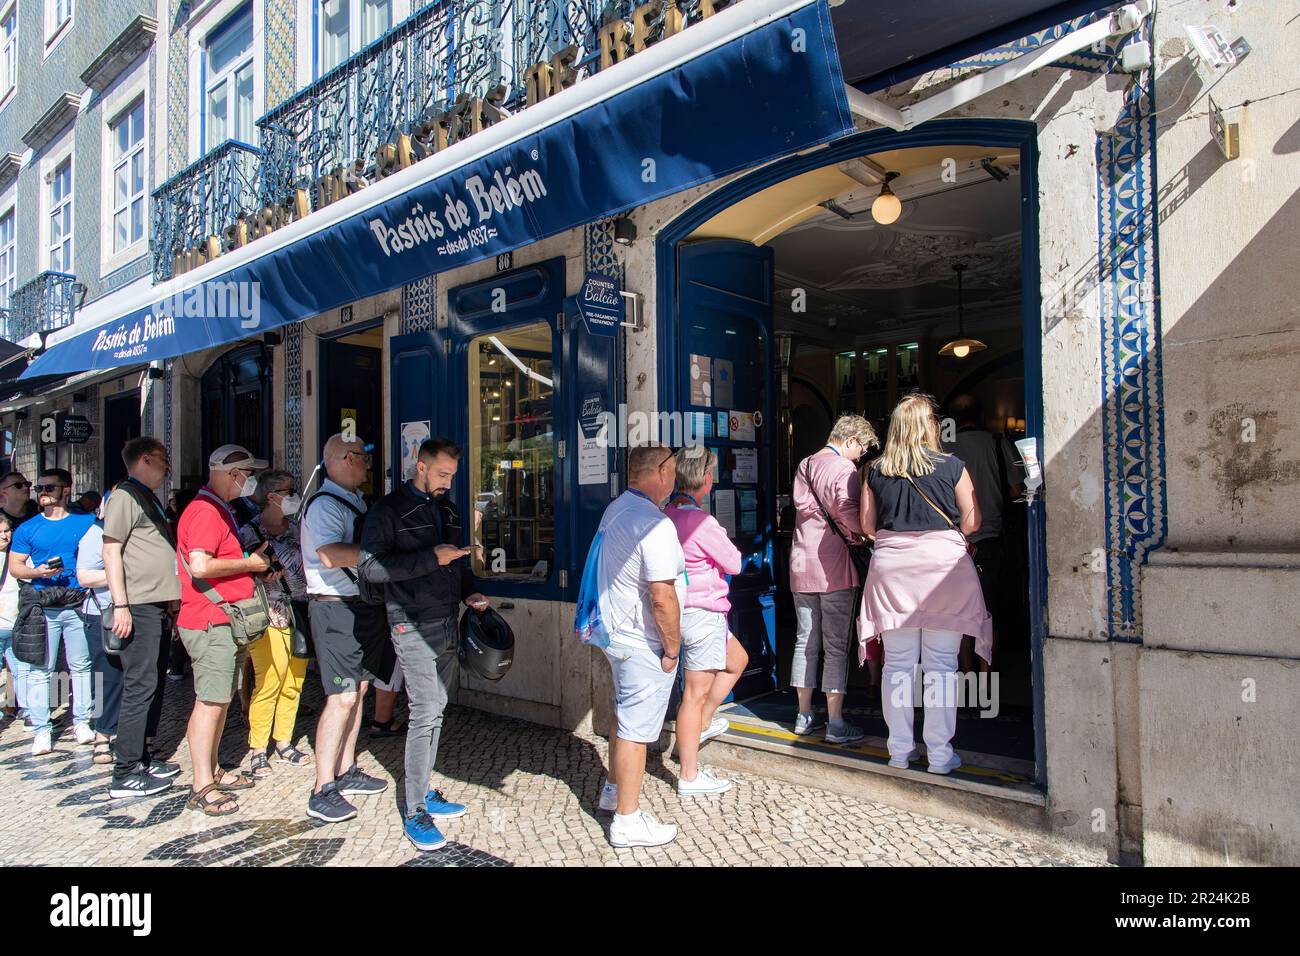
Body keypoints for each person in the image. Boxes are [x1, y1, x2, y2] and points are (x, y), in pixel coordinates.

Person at [359, 437, 488, 851]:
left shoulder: (447, 508)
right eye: (442, 474)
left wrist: (469, 591)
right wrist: (433, 557)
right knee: (425, 711)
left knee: (437, 709)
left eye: (452, 475)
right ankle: (415, 808)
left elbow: (457, 562)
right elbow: (371, 568)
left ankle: (425, 789)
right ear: (420, 466)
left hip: (447, 618)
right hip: (410, 623)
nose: (448, 483)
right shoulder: (388, 510)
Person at [858, 393, 990, 775]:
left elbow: (867, 527)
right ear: (930, 427)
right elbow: (973, 522)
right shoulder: (953, 466)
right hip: (942, 573)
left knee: (897, 665)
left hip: (892, 573)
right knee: (941, 667)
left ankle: (899, 751)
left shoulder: (875, 470)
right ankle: (939, 755)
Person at [594, 445, 685, 848]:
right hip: (643, 641)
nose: (677, 476)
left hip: (617, 636)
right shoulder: (655, 523)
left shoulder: (616, 509)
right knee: (634, 730)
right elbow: (662, 595)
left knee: (622, 716)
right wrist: (672, 648)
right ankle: (628, 821)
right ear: (662, 471)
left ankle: (613, 792)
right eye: (675, 469)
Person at [176, 445, 275, 814]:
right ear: (233, 474)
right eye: (249, 472)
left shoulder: (218, 508)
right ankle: (201, 785)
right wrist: (248, 563)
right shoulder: (203, 510)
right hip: (210, 619)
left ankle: (213, 769)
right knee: (210, 702)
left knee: (220, 700)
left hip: (222, 620)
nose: (251, 480)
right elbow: (200, 565)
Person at [300, 434, 389, 824]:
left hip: (361, 608)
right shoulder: (323, 505)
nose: (367, 466)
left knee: (360, 690)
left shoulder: (354, 500)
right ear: (344, 459)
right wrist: (380, 557)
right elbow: (329, 554)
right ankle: (322, 788)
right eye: (363, 459)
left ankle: (347, 768)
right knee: (341, 697)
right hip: (334, 610)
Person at [788, 415, 878, 743]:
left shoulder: (806, 464)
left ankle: (803, 714)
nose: (861, 455)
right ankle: (836, 722)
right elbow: (848, 515)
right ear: (851, 439)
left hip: (801, 562)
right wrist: (868, 534)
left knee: (805, 640)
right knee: (836, 646)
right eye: (862, 448)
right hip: (834, 566)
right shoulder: (844, 470)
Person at [102, 437, 183, 796]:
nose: (168, 466)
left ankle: (144, 756)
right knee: (139, 686)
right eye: (164, 459)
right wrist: (121, 604)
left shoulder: (146, 496)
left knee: (153, 683)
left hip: (156, 604)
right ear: (146, 459)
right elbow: (111, 550)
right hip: (137, 605)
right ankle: (126, 771)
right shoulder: (124, 496)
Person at [664, 447, 746, 796]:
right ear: (706, 479)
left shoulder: (667, 514)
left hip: (680, 612)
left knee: (737, 660)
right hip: (703, 614)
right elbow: (735, 563)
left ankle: (704, 723)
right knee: (694, 696)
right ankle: (689, 775)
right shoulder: (702, 522)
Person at [7, 468, 96, 756]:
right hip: (43, 604)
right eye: (39, 488)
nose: (42, 493)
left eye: (49, 487)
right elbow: (15, 566)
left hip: (77, 602)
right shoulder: (28, 528)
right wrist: (37, 571)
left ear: (66, 490)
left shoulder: (87, 523)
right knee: (39, 669)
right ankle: (41, 729)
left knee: (81, 665)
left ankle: (82, 721)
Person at [237, 468, 313, 777]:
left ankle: (283, 741)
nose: (295, 496)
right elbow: (239, 571)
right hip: (268, 613)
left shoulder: (298, 528)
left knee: (294, 680)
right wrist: (260, 572)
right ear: (272, 496)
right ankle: (257, 748)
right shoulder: (248, 533)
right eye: (289, 491)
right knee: (269, 679)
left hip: (300, 610)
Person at [943, 394, 1022, 673]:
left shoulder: (943, 448)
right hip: (990, 537)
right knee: (988, 609)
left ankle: (965, 671)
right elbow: (1015, 489)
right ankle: (987, 674)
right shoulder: (998, 444)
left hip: (953, 541)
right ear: (982, 415)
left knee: (958, 612)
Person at [75, 493, 124, 766]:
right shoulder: (96, 534)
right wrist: (122, 572)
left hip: (132, 611)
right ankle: (102, 736)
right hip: (101, 615)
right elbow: (84, 576)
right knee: (107, 677)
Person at [0, 514, 27, 724]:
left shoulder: (18, 557)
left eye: (6, 531)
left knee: (21, 673)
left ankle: (28, 712)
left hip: (15, 624)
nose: (4, 536)